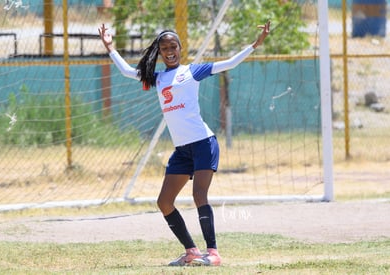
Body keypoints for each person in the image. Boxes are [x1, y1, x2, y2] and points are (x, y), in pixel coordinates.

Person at [99, 20, 270, 266]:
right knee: (164, 202)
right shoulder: (156, 78)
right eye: (165, 48)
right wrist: (110, 47)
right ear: (160, 52)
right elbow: (127, 71)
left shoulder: (192, 72)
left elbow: (230, 63)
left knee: (199, 194)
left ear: (180, 48)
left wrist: (255, 44)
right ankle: (191, 251)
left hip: (203, 143)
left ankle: (213, 253)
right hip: (182, 150)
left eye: (173, 46)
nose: (170, 51)